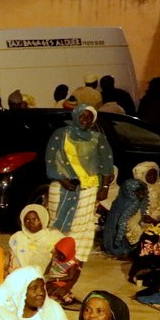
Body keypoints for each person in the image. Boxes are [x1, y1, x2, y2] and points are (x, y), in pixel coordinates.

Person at [44, 104, 115, 262]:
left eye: (89, 117)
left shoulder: (97, 138)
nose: (85, 120)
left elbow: (106, 164)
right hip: (60, 186)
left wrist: (104, 187)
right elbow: (50, 159)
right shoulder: (61, 134)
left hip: (88, 188)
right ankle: (53, 257)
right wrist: (63, 179)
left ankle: (72, 260)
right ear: (75, 116)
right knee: (56, 222)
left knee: (81, 225)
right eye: (82, 116)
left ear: (93, 120)